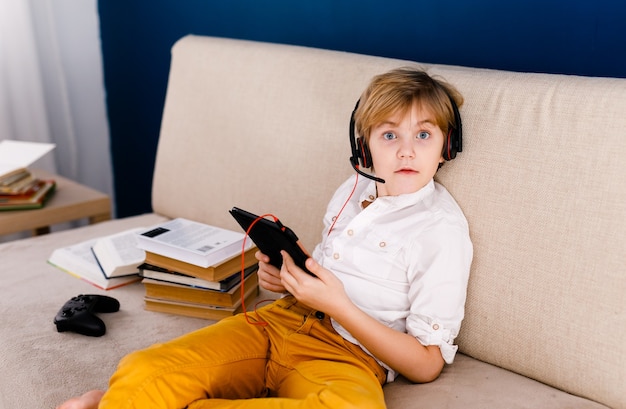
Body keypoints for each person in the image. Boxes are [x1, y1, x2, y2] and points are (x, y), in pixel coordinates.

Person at [57, 67, 473, 409]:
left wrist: (337, 306)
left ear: (446, 147)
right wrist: (288, 278)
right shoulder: (351, 190)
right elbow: (330, 270)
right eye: (389, 135)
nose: (406, 151)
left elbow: (426, 365)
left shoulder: (441, 230)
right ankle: (127, 398)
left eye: (423, 135)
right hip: (280, 321)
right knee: (146, 369)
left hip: (349, 357)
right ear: (363, 147)